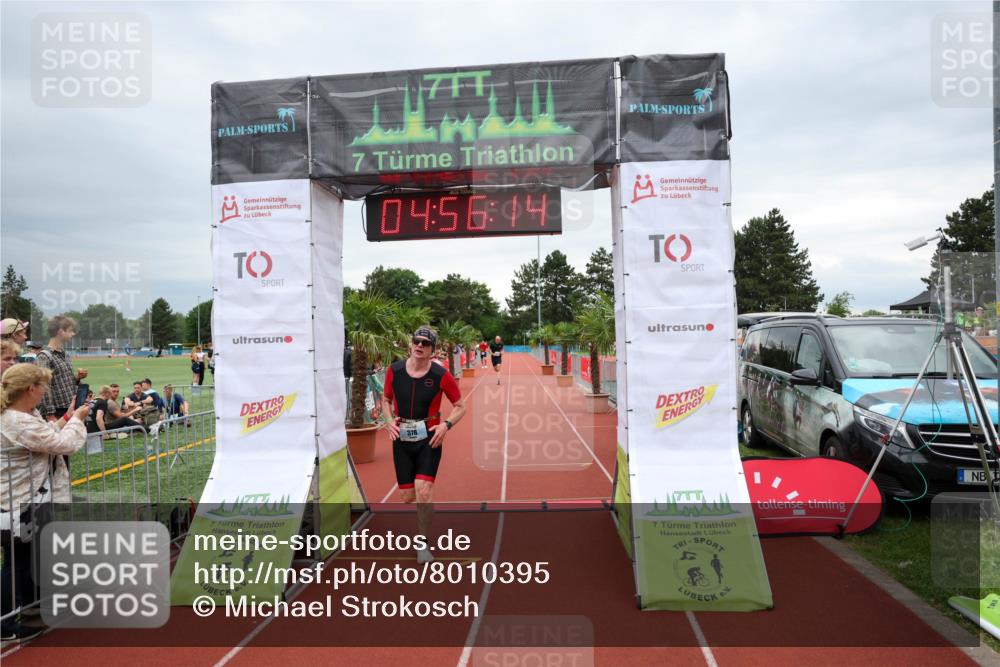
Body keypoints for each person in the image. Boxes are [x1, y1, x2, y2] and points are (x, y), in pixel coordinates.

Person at [1, 363, 89, 642]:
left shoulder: (20, 414)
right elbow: (65, 445)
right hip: (21, 500)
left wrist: (67, 416)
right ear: (31, 389)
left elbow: (46, 435)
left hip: (23, 498)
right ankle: (5, 622)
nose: (44, 393)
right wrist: (78, 419)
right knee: (17, 561)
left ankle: (30, 606)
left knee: (28, 556)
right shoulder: (18, 420)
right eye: (43, 388)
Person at [382, 327, 465, 564]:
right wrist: (388, 421)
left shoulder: (440, 375)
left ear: (432, 350)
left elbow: (461, 406)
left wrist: (445, 425)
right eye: (416, 342)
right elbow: (386, 400)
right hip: (402, 440)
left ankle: (422, 545)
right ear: (411, 345)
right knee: (407, 496)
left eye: (425, 344)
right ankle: (424, 510)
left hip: (430, 437)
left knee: (424, 490)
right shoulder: (394, 371)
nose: (419, 346)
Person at [35, 316, 87, 423]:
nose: (73, 334)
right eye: (70, 330)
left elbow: (61, 381)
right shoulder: (44, 356)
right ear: (60, 332)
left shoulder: (65, 354)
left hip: (71, 407)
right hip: (58, 412)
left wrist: (77, 378)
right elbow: (44, 386)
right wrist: (50, 414)